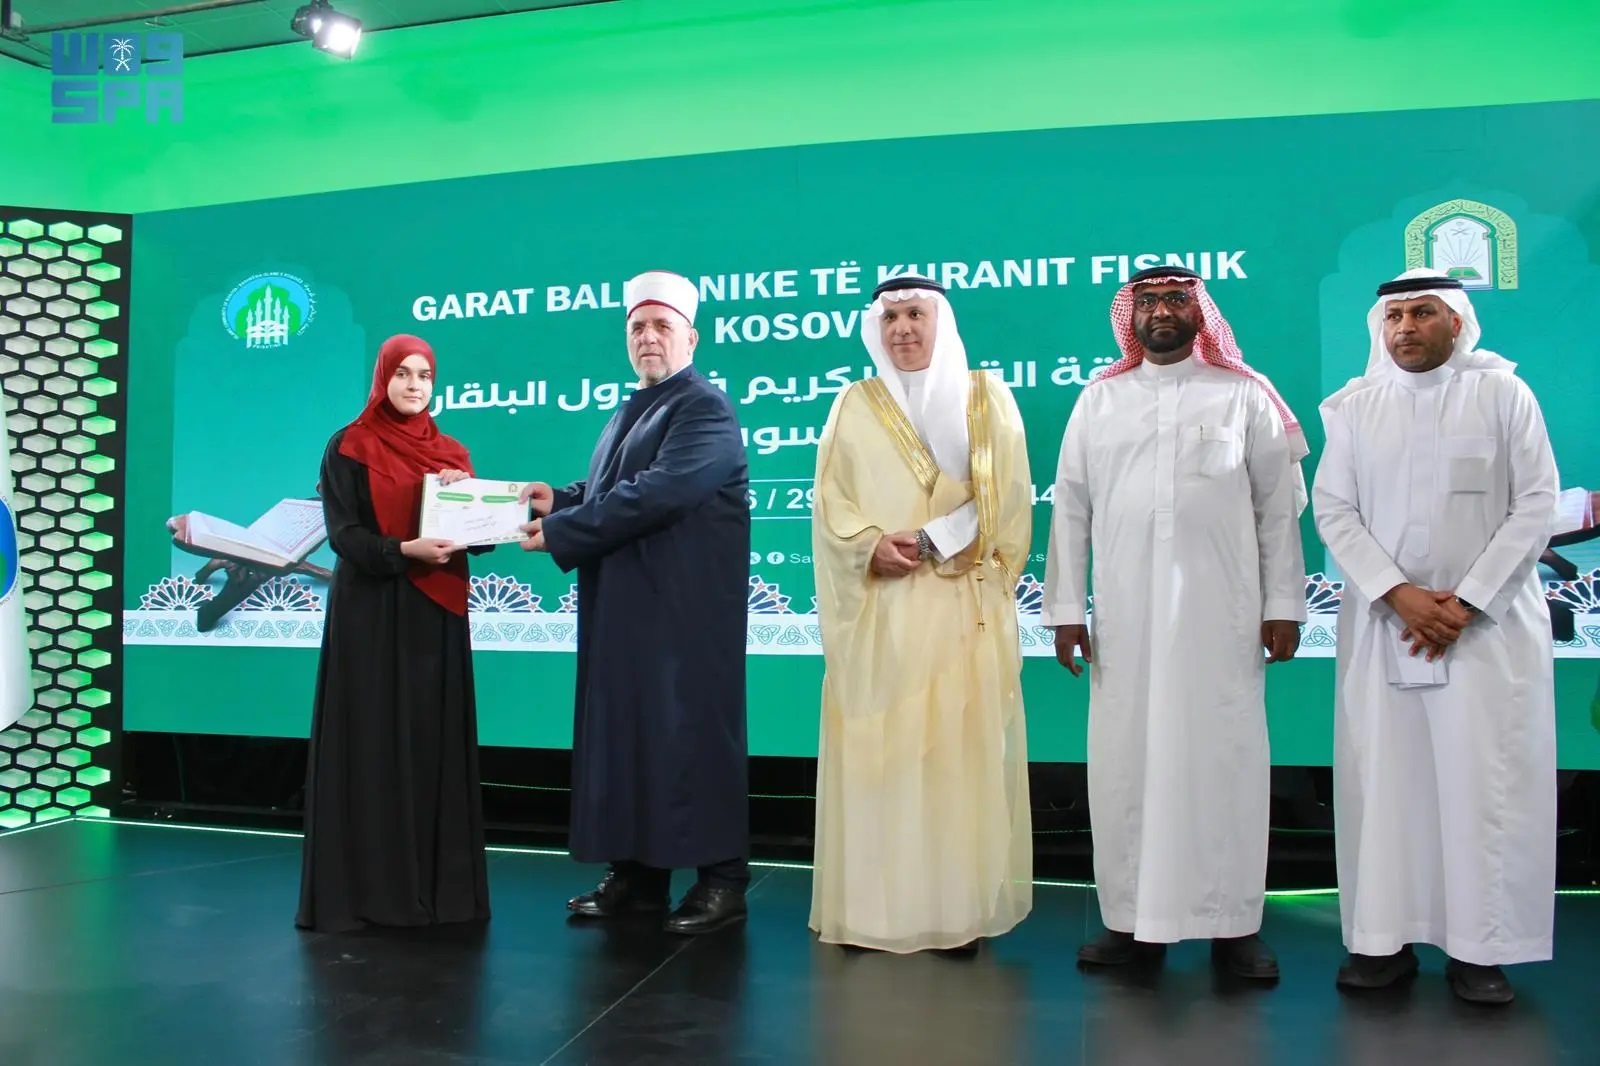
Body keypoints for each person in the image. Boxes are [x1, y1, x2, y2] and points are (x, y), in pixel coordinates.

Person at [1041, 265, 1308, 979]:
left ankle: (1233, 927)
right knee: (1126, 766)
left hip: (1223, 618)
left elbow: (1276, 512)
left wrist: (1283, 605)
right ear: (1131, 318)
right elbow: (1070, 509)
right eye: (1149, 301)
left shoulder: (1244, 395)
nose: (1161, 310)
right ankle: (1131, 923)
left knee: (1225, 761)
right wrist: (1065, 610)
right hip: (1125, 619)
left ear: (1200, 313)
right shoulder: (1099, 400)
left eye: (1176, 299)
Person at [1312, 269, 1558, 1005]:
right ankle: (1381, 943)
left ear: (1456, 322)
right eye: (1394, 317)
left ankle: (1481, 950)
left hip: (1487, 634)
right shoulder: (1355, 408)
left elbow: (1536, 503)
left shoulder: (1503, 394)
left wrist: (1468, 601)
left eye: (1423, 314)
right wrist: (1402, 597)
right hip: (1385, 626)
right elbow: (1334, 511)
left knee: (1483, 787)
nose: (1405, 328)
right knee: (1385, 786)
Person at [518, 269, 752, 936]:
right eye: (638, 328)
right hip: (628, 610)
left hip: (684, 617)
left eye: (662, 327)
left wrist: (565, 528)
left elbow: (662, 491)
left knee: (691, 738)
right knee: (629, 741)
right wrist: (558, 499)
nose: (649, 337)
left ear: (690, 338)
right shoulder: (633, 408)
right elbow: (613, 487)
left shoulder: (704, 407)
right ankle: (639, 877)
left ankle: (723, 881)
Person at [807, 275, 1034, 954]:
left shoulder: (985, 398)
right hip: (880, 612)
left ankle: (954, 912)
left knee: (951, 756)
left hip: (957, 606)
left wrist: (932, 540)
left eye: (915, 314)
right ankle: (874, 913)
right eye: (891, 317)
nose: (903, 328)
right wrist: (869, 545)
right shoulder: (852, 402)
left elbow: (1005, 496)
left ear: (942, 323)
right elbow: (830, 502)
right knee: (880, 757)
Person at [297, 333, 492, 934]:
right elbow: (344, 536)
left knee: (432, 742)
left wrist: (478, 512)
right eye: (402, 373)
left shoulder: (451, 452)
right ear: (383, 379)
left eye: (424, 375)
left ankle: (440, 894)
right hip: (373, 614)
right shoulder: (349, 446)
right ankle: (369, 895)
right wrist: (404, 550)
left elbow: (478, 534)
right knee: (373, 742)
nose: (414, 385)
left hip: (436, 616)